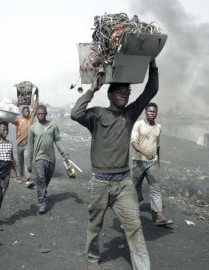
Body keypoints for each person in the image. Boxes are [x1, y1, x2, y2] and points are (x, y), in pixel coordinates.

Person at [71, 59, 159, 270]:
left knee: (135, 226)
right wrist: (92, 89)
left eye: (127, 91)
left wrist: (152, 61)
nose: (125, 94)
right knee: (95, 225)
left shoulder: (130, 114)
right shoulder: (97, 114)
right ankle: (92, 259)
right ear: (109, 94)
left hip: (123, 184)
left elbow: (152, 89)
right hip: (100, 183)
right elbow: (76, 114)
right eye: (119, 91)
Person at [131, 102, 173, 226]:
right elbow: (133, 142)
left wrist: (158, 160)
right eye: (150, 111)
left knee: (155, 189)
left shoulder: (158, 127)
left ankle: (158, 215)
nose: (152, 113)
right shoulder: (138, 124)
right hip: (138, 162)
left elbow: (157, 145)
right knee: (134, 186)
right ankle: (133, 209)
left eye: (154, 112)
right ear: (145, 112)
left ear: (156, 113)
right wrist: (145, 153)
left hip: (152, 163)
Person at [26, 105, 70, 214]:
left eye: (42, 114)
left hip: (51, 158)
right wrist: (29, 162)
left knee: (46, 180)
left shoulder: (53, 126)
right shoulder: (33, 128)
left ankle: (42, 193)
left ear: (46, 114)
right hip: (39, 157)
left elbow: (58, 141)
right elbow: (30, 146)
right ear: (36, 115)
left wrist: (65, 154)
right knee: (41, 178)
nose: (40, 116)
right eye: (38, 114)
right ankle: (42, 202)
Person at [13, 88, 39, 187]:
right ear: (22, 112)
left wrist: (37, 95)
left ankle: (28, 179)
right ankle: (20, 177)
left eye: (28, 110)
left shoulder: (31, 120)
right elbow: (10, 116)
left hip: (28, 145)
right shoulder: (18, 120)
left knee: (27, 161)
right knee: (20, 162)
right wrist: (18, 101)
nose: (27, 111)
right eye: (25, 110)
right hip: (19, 145)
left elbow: (35, 108)